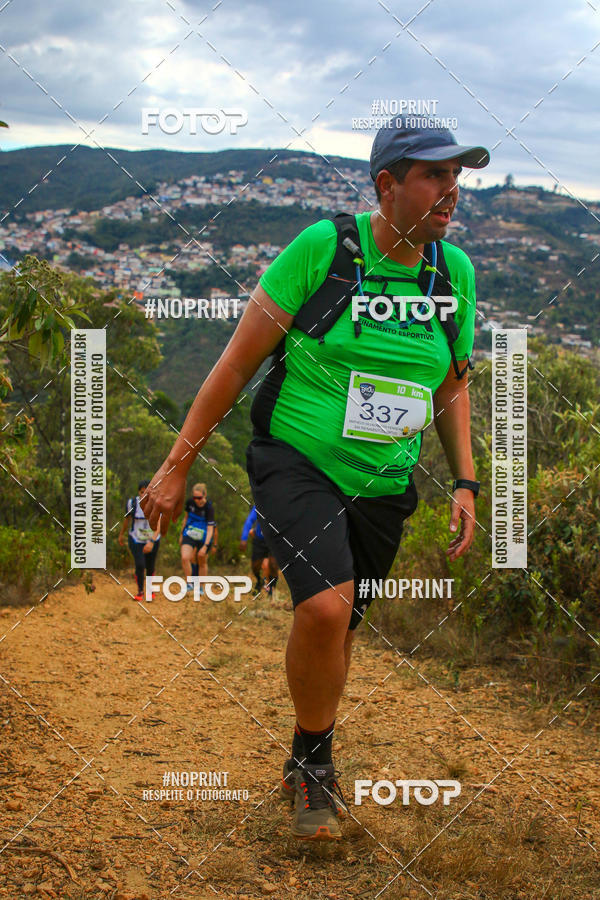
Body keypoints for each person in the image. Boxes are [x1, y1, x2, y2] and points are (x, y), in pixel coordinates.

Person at [142, 121, 489, 841]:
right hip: (295, 460)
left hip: (383, 483)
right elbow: (235, 365)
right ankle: (312, 768)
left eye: (456, 176)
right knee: (328, 611)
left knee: (341, 625)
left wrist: (465, 482)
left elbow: (452, 388)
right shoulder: (325, 250)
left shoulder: (451, 273)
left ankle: (312, 749)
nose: (450, 190)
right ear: (386, 185)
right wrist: (174, 470)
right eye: (432, 175)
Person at [118, 480, 161, 601]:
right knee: (140, 564)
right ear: (139, 492)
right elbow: (127, 520)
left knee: (150, 566)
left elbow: (159, 525)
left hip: (152, 539)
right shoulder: (132, 503)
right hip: (136, 539)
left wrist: (152, 542)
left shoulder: (158, 504)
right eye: (142, 492)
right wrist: (121, 534)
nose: (144, 495)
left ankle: (150, 590)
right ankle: (140, 591)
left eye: (147, 493)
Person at [180, 483, 215, 594]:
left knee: (202, 560)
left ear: (204, 495)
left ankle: (200, 587)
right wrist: (181, 534)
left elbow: (211, 529)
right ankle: (189, 583)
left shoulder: (209, 508)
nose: (197, 500)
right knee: (185, 557)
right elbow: (185, 518)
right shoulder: (190, 503)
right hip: (189, 534)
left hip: (204, 537)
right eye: (195, 497)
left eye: (199, 498)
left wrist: (206, 546)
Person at [240, 505, 279, 596]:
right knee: (255, 566)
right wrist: (244, 539)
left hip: (275, 540)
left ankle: (272, 588)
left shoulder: (280, 504)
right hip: (259, 540)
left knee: (273, 564)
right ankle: (259, 581)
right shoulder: (259, 504)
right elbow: (249, 521)